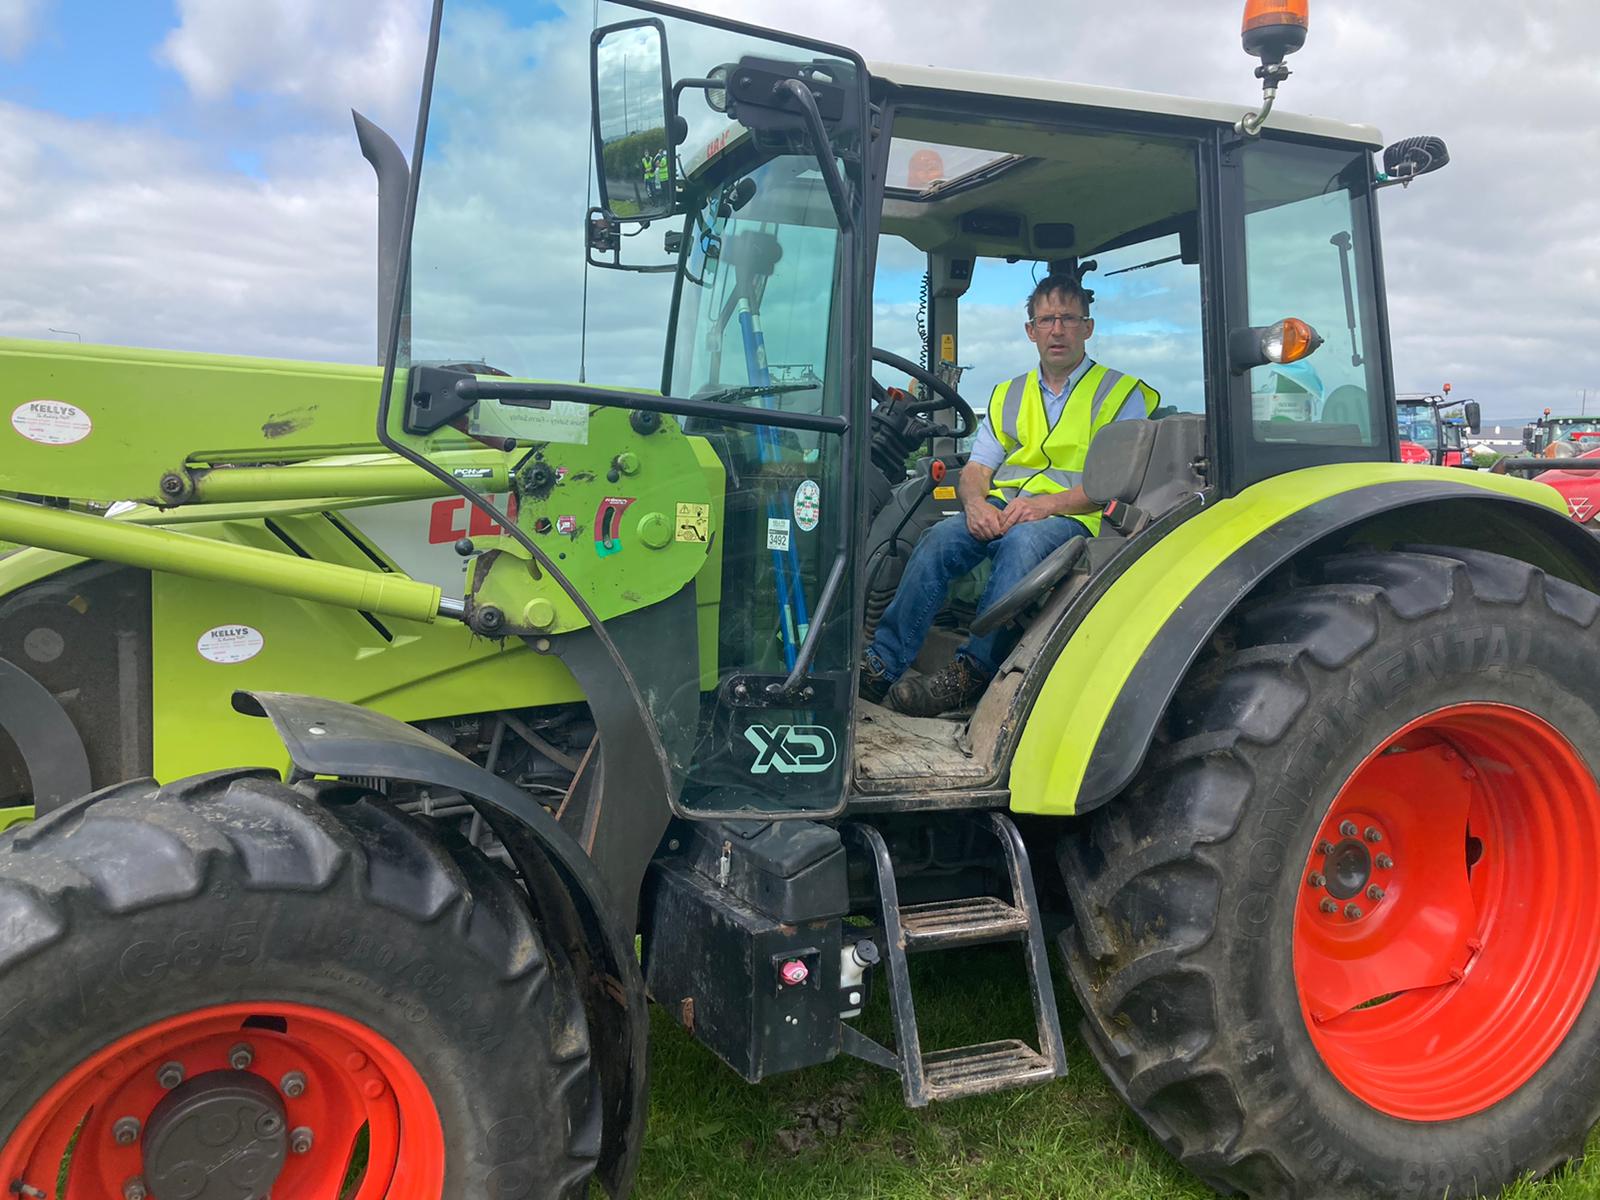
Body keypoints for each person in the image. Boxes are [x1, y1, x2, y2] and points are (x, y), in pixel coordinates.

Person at [860, 273, 1160, 717]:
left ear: (1087, 328)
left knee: (1022, 545)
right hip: (1007, 506)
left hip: (1079, 516)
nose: (1056, 330)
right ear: (1030, 331)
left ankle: (972, 673)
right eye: (1046, 320)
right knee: (939, 540)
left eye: (1067, 319)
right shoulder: (1009, 394)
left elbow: (1120, 483)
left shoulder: (1121, 396)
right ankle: (882, 664)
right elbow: (978, 470)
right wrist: (977, 504)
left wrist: (1046, 505)